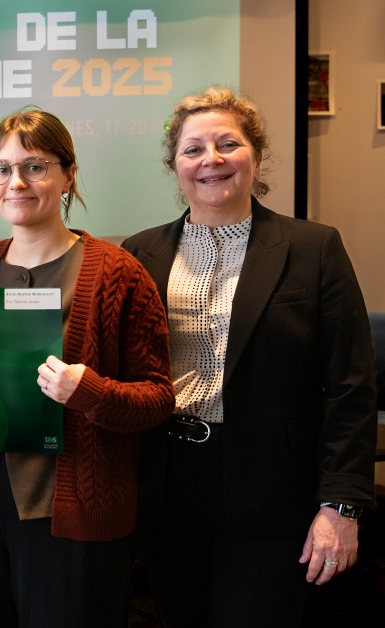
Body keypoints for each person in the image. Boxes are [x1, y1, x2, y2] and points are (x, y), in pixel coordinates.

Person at [122, 87, 378, 627]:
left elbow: (351, 387)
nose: (210, 160)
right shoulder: (139, 253)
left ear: (256, 157)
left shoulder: (313, 248)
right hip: (167, 485)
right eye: (193, 149)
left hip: (272, 490)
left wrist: (342, 504)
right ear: (175, 165)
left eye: (227, 144)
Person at [0, 108, 175, 627]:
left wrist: (89, 390)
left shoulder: (118, 273)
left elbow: (158, 398)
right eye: (2, 168)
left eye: (35, 167)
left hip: (71, 505)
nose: (17, 182)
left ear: (67, 174)